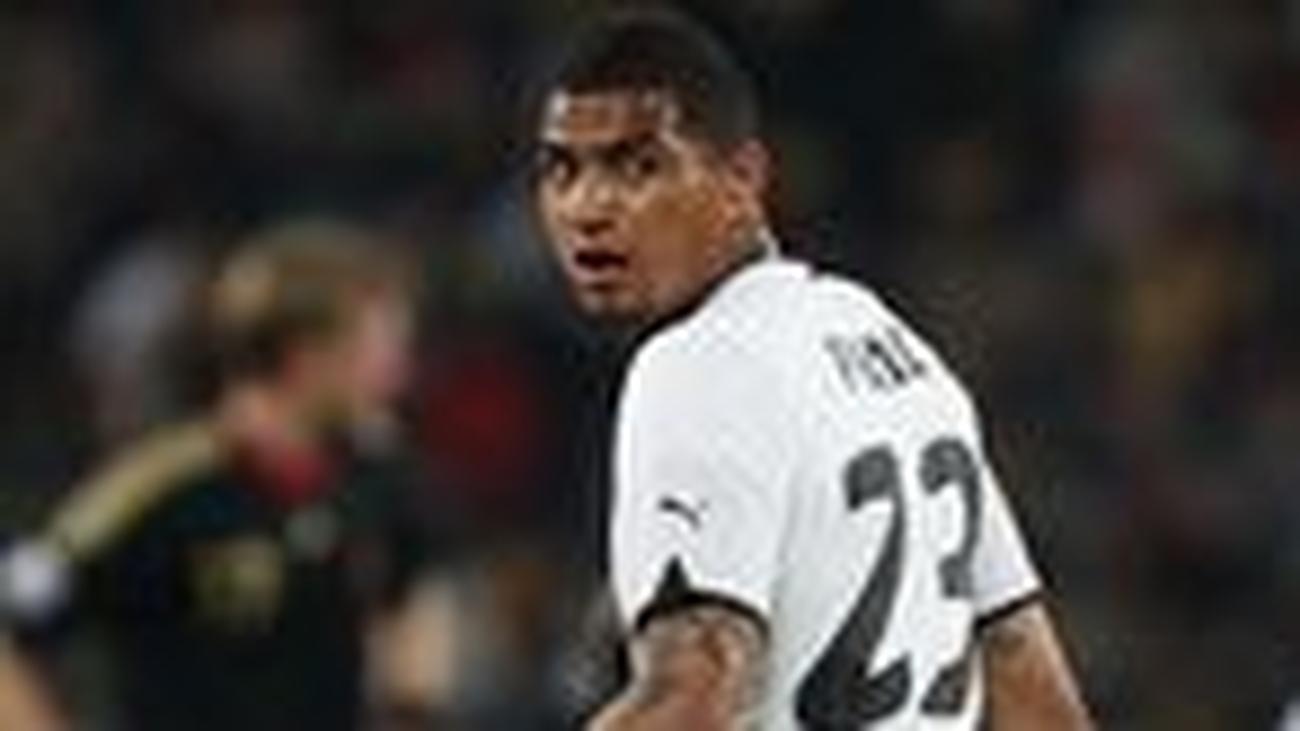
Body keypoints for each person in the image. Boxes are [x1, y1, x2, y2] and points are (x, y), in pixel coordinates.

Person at [532, 8, 1094, 730]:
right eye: (562, 169)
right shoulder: (899, 349)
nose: (588, 207)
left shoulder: (701, 364)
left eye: (638, 167)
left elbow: (699, 681)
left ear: (742, 179)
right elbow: (1032, 683)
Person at [0, 219, 456, 731]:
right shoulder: (161, 493)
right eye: (381, 349)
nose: (399, 372)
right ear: (306, 356)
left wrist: (412, 708)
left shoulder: (378, 477)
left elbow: (415, 588)